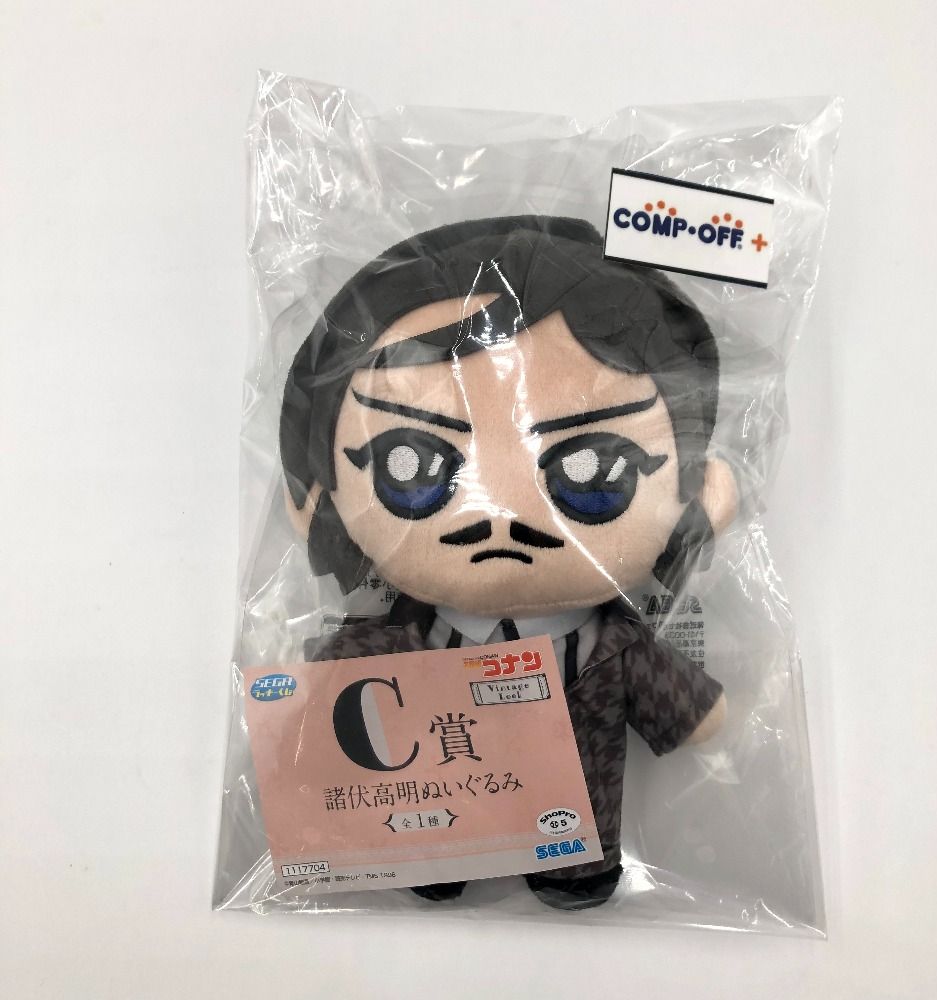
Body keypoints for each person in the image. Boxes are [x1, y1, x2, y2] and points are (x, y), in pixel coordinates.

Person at [280, 216, 736, 909]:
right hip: (431, 805)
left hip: (576, 822)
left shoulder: (614, 646)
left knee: (578, 853)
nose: (501, 512)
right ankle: (438, 859)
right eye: (411, 463)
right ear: (321, 498)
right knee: (431, 850)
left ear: (701, 494)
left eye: (594, 469)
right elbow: (332, 691)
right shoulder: (397, 639)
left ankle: (574, 873)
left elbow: (693, 710)